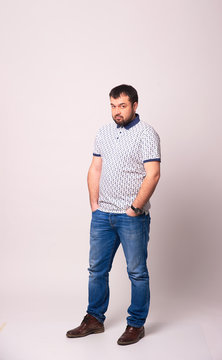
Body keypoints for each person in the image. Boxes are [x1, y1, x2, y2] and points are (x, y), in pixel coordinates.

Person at [66, 84, 161, 345]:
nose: (117, 111)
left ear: (134, 105)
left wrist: (135, 208)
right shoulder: (104, 132)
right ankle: (94, 319)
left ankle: (136, 324)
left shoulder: (146, 134)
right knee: (97, 269)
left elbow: (153, 174)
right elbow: (95, 168)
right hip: (102, 216)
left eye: (122, 105)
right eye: (112, 105)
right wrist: (94, 204)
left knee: (137, 272)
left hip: (132, 217)